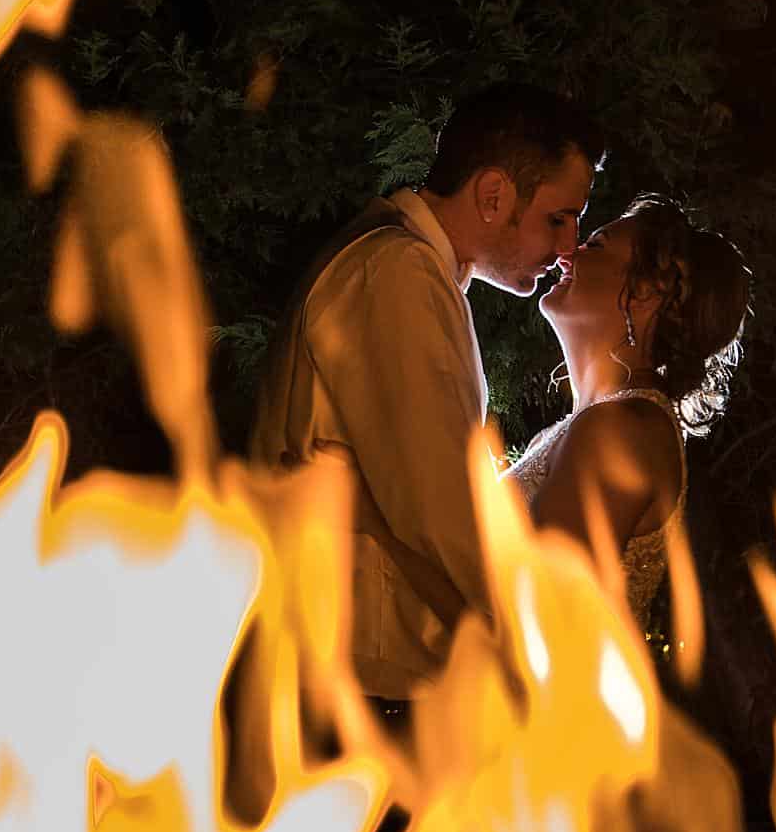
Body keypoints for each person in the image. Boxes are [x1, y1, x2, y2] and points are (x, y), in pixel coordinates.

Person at [249, 82, 606, 724]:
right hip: (359, 686)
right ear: (494, 195)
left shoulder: (406, 268)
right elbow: (441, 502)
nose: (568, 247)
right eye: (559, 216)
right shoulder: (398, 273)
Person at [505, 193, 749, 625]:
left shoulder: (620, 431)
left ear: (646, 291)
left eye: (594, 246)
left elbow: (529, 614)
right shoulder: (597, 423)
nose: (567, 253)